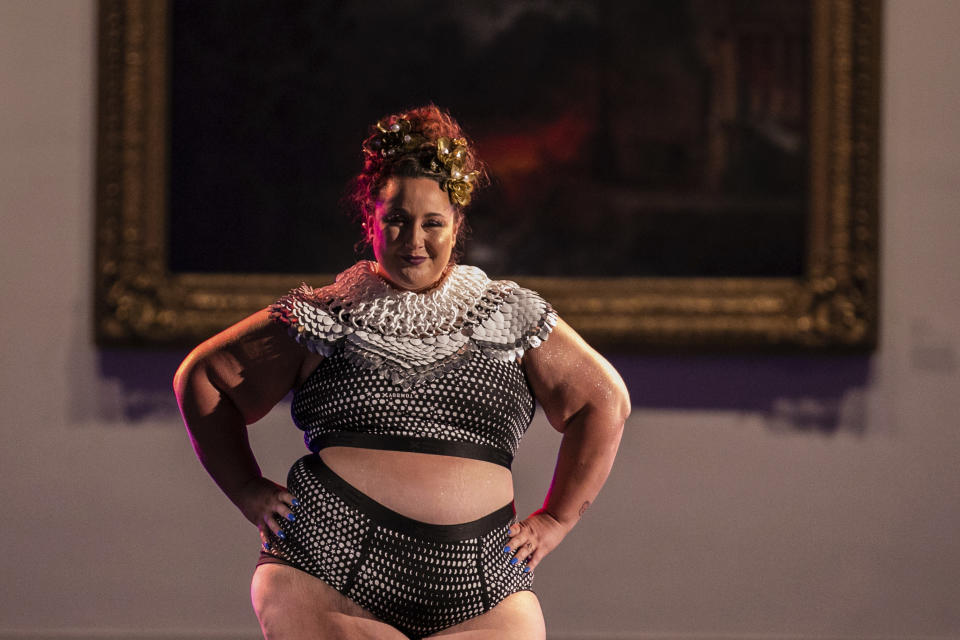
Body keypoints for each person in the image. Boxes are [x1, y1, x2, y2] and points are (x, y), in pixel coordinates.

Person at [174, 105, 630, 640]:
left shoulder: (509, 313)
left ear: (456, 225)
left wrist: (556, 521)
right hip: (327, 571)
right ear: (371, 219)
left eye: (432, 222)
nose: (414, 238)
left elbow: (605, 401)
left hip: (482, 585)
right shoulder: (325, 314)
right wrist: (249, 489)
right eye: (396, 219)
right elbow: (204, 377)